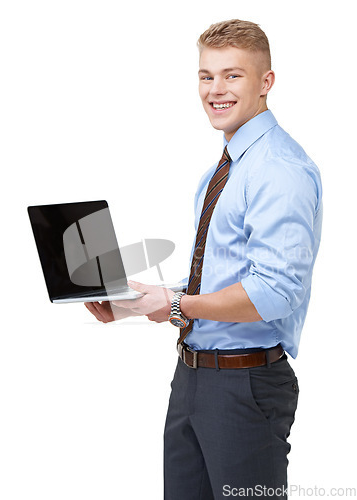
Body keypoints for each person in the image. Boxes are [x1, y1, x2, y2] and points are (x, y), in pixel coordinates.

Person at [85, 19, 322, 500]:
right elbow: (218, 278)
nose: (216, 90)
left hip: (245, 385)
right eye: (205, 76)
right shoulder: (229, 165)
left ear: (266, 83)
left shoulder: (278, 168)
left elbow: (276, 291)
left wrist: (176, 306)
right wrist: (134, 300)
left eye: (232, 75)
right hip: (194, 377)